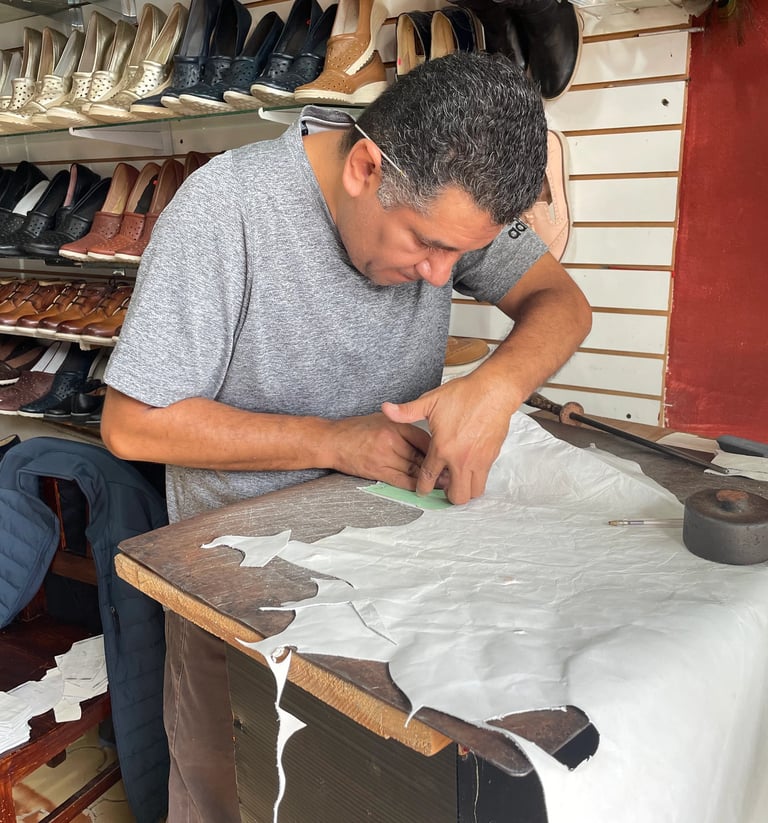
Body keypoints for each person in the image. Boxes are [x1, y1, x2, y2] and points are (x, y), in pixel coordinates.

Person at [101, 50, 591, 822]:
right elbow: (132, 424)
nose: (443, 278)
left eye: (461, 256)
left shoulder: (448, 191)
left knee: (366, 794)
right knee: (223, 793)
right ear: (365, 166)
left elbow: (563, 303)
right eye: (426, 245)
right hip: (235, 593)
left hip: (396, 573)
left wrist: (496, 386)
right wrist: (334, 441)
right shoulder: (226, 208)